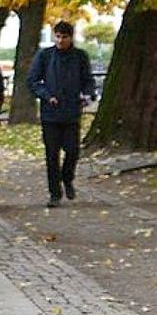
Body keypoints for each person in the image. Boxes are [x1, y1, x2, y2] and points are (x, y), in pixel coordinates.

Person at [26, 21, 95, 208]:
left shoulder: (80, 57)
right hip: (51, 113)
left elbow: (88, 80)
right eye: (57, 36)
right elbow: (32, 80)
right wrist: (47, 96)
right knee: (52, 154)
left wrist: (86, 95)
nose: (60, 40)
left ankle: (67, 178)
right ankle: (54, 193)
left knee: (72, 151)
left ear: (71, 37)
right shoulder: (45, 55)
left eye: (64, 37)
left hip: (72, 111)